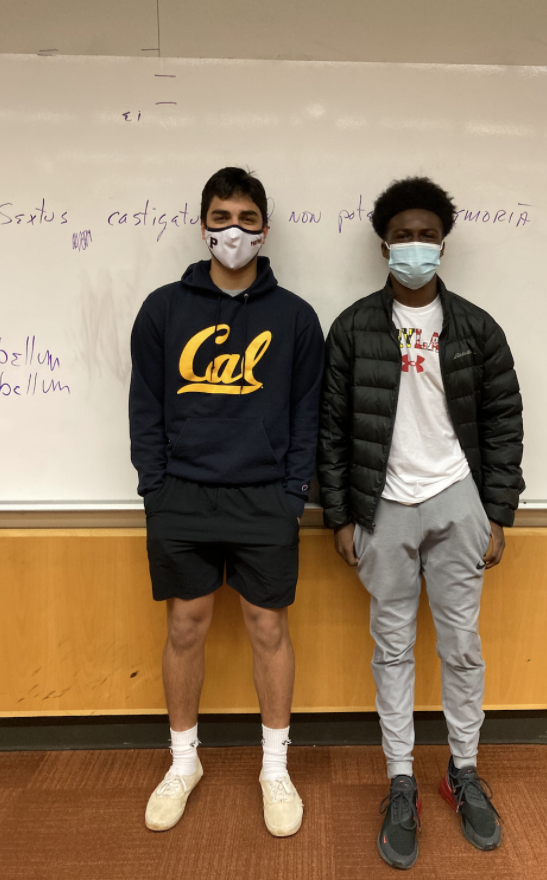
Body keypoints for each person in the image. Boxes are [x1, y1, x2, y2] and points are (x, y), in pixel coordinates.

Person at [318, 176, 524, 868]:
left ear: (444, 244)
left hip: (458, 501)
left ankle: (462, 772)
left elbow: (503, 424)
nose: (415, 245)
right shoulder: (351, 328)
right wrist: (341, 516)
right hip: (382, 509)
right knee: (393, 649)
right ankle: (400, 779)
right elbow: (332, 431)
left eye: (427, 234)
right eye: (403, 234)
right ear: (384, 244)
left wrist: (497, 511)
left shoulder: (477, 328)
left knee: (462, 647)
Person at [130, 166, 324, 837]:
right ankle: (183, 763)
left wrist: (294, 493)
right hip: (180, 495)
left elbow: (307, 416)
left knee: (267, 628)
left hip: (265, 499)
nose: (233, 230)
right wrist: (155, 490)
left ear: (265, 229)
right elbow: (144, 411)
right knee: (186, 623)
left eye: (246, 218)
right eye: (221, 217)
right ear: (204, 224)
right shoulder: (162, 309)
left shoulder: (296, 318)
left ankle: (275, 767)